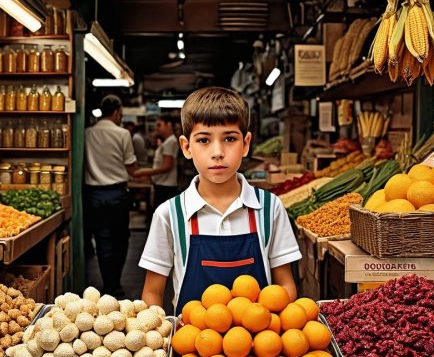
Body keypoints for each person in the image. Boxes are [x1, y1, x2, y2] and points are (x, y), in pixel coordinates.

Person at [139, 87, 301, 312]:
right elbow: (152, 292)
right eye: (204, 140)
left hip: (260, 342)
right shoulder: (170, 214)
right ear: (186, 147)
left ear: (245, 144)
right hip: (192, 342)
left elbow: (285, 284)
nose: (217, 152)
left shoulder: (269, 208)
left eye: (229, 139)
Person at [84, 94, 137, 298]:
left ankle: (108, 284)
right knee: (121, 239)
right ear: (116, 112)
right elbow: (131, 167)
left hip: (94, 194)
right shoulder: (123, 134)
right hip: (117, 193)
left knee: (103, 240)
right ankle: (116, 283)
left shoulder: (87, 133)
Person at [133, 115, 180, 210]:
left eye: (159, 125)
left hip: (166, 188)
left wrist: (145, 172)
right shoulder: (167, 141)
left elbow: (167, 166)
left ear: (169, 125)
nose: (157, 128)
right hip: (162, 186)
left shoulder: (171, 142)